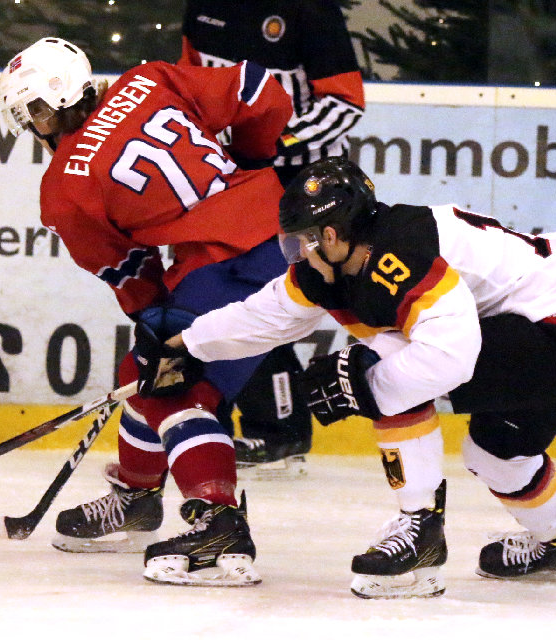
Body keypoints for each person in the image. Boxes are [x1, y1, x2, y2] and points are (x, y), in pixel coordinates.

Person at [135, 157, 556, 598]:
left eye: (298, 240)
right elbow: (267, 317)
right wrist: (187, 346)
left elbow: (451, 356)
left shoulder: (400, 258)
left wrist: (365, 388)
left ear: (328, 235)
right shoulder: (337, 262)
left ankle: (420, 529)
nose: (294, 253)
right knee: (495, 453)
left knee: (378, 365)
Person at [0, 37, 295, 586]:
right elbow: (262, 91)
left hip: (226, 264)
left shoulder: (64, 185)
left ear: (65, 97)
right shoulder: (152, 78)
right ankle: (136, 500)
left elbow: (131, 274)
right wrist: (254, 161)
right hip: (287, 238)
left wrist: (155, 312)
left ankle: (219, 523)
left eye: (36, 109)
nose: (35, 124)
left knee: (165, 383)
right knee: (141, 376)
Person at [180, 0, 367, 477]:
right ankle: (275, 427)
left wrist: (269, 141)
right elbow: (187, 86)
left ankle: (282, 428)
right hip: (237, 179)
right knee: (238, 298)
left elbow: (344, 103)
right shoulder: (202, 8)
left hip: (305, 187)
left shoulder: (309, 10)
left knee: (278, 298)